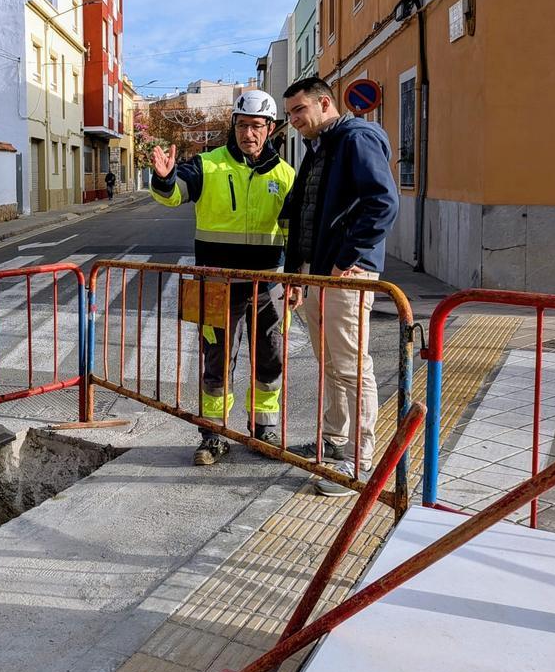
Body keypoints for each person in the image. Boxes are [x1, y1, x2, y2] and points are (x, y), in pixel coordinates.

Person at [150, 90, 296, 465]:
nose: (249, 133)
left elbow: (295, 233)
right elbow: (174, 193)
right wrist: (164, 179)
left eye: (256, 126)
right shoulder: (207, 164)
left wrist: (296, 278)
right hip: (216, 286)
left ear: (271, 129)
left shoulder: (286, 175)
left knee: (271, 359)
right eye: (242, 125)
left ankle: (264, 429)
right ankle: (213, 434)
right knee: (216, 362)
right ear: (233, 126)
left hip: (269, 287)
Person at [281, 77, 399, 496]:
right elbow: (303, 214)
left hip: (345, 273)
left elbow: (382, 202)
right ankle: (333, 441)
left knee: (350, 365)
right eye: (290, 112)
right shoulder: (319, 147)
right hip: (317, 272)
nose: (292, 120)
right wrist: (295, 273)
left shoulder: (356, 138)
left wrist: (348, 258)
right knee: (329, 361)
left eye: (299, 111)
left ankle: (360, 462)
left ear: (325, 103)